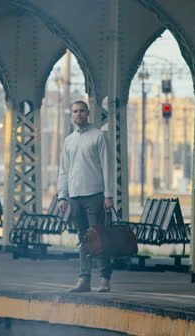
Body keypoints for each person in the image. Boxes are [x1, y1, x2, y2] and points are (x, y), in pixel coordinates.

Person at [57, 100, 113, 292]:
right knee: (82, 239)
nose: (78, 114)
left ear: (87, 113)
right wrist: (62, 196)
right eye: (75, 111)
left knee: (98, 237)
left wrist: (109, 195)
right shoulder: (69, 140)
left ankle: (104, 278)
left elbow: (107, 167)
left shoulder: (98, 136)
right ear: (71, 115)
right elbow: (64, 170)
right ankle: (84, 279)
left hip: (95, 195)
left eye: (81, 111)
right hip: (75, 196)